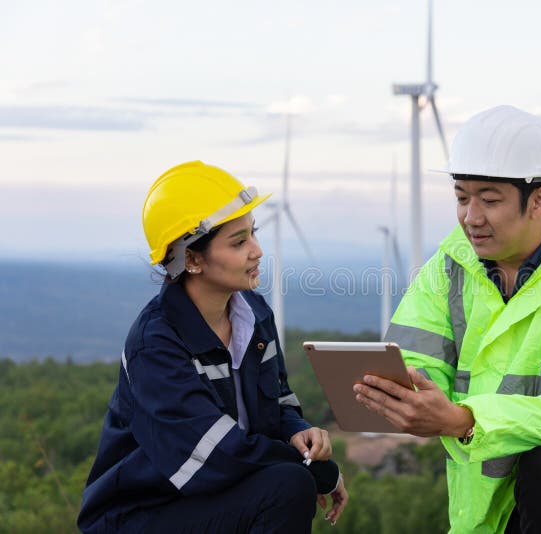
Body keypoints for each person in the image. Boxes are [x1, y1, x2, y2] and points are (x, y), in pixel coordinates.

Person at [354, 105, 541, 533]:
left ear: (539, 200)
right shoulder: (446, 267)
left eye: (490, 200)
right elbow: (415, 367)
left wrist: (465, 420)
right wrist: (405, 398)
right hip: (486, 477)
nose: (471, 217)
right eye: (461, 198)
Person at [78, 161, 347, 533]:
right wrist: (318, 470)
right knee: (289, 485)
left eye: (253, 233)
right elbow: (213, 456)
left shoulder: (255, 314)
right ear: (192, 259)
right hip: (141, 515)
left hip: (209, 501)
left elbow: (278, 402)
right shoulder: (155, 344)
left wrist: (299, 435)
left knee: (288, 483)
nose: (257, 251)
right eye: (239, 242)